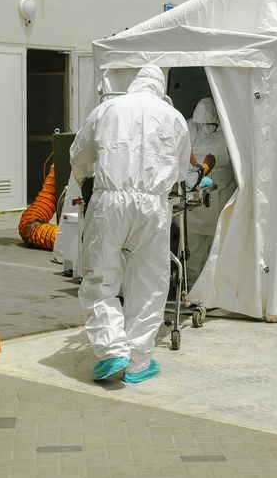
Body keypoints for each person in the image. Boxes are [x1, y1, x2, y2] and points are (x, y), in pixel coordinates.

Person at [70, 65, 190, 384]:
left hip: (110, 200)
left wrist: (86, 180)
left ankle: (112, 351)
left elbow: (79, 154)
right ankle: (138, 359)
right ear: (160, 88)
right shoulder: (174, 118)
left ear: (134, 84)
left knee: (101, 277)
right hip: (154, 205)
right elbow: (180, 172)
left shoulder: (107, 108)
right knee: (149, 282)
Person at [183, 97, 237, 288]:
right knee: (194, 249)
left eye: (210, 124)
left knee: (218, 248)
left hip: (221, 196)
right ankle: (192, 288)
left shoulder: (229, 132)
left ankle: (216, 291)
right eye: (202, 124)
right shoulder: (188, 128)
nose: (206, 127)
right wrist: (201, 167)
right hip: (194, 199)